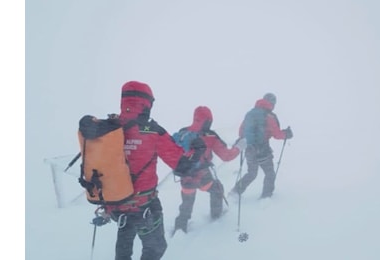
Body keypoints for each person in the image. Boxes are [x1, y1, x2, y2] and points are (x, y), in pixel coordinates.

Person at [102, 81, 206, 260]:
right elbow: (182, 167)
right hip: (144, 206)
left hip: (116, 204)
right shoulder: (152, 132)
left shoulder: (109, 128)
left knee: (124, 247)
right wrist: (197, 152)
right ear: (146, 103)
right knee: (155, 249)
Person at [173, 106, 247, 234]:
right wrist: (239, 147)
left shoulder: (183, 132)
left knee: (186, 203)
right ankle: (216, 217)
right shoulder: (210, 136)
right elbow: (226, 156)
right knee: (217, 189)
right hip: (202, 175)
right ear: (208, 120)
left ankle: (180, 228)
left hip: (185, 176)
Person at [229, 93, 293, 199]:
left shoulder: (250, 113)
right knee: (270, 173)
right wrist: (287, 134)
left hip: (249, 149)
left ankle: (235, 192)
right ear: (272, 103)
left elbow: (241, 132)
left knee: (252, 173)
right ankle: (266, 196)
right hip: (263, 149)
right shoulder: (269, 116)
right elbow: (277, 134)